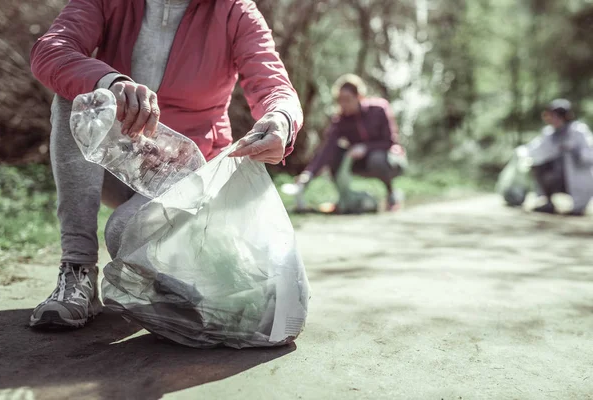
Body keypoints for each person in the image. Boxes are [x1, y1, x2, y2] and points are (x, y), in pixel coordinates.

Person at [29, 0, 303, 329]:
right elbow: (51, 49)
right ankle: (77, 271)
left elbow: (273, 84)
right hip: (117, 161)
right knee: (78, 96)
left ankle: (193, 287)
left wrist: (281, 120)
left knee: (124, 235)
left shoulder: (234, 11)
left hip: (185, 172)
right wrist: (109, 83)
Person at [294, 74, 405, 211]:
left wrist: (365, 148)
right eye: (340, 100)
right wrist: (309, 173)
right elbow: (327, 149)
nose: (343, 104)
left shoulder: (379, 109)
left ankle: (391, 194)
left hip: (389, 159)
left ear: (359, 97)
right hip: (358, 161)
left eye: (347, 99)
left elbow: (390, 142)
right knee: (335, 152)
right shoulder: (340, 120)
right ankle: (343, 198)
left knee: (376, 159)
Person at [527, 99, 593, 216]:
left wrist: (574, 151)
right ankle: (548, 202)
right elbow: (534, 150)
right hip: (557, 177)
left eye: (555, 116)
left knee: (579, 199)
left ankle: (578, 207)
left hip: (578, 175)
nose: (552, 119)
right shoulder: (549, 133)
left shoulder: (579, 131)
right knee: (537, 166)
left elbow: (589, 154)